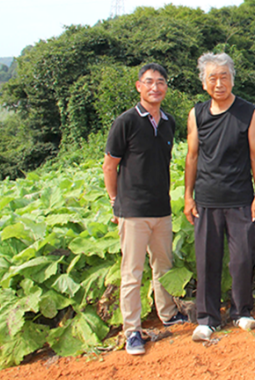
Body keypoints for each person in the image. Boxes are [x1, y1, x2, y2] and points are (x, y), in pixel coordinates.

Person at [103, 63, 188, 355]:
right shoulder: (125, 121)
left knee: (163, 266)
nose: (155, 87)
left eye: (161, 82)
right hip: (133, 210)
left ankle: (167, 314)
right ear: (139, 86)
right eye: (149, 82)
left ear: (166, 88)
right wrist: (115, 202)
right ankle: (132, 331)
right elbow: (110, 165)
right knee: (132, 272)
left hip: (161, 208)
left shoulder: (168, 122)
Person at [184, 52, 255, 342]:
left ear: (232, 78)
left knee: (243, 258)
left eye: (224, 76)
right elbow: (192, 157)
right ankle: (207, 319)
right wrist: (188, 196)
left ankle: (242, 312)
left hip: (241, 198)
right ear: (204, 83)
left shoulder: (248, 112)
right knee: (207, 260)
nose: (219, 83)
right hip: (207, 199)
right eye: (212, 78)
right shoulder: (197, 114)